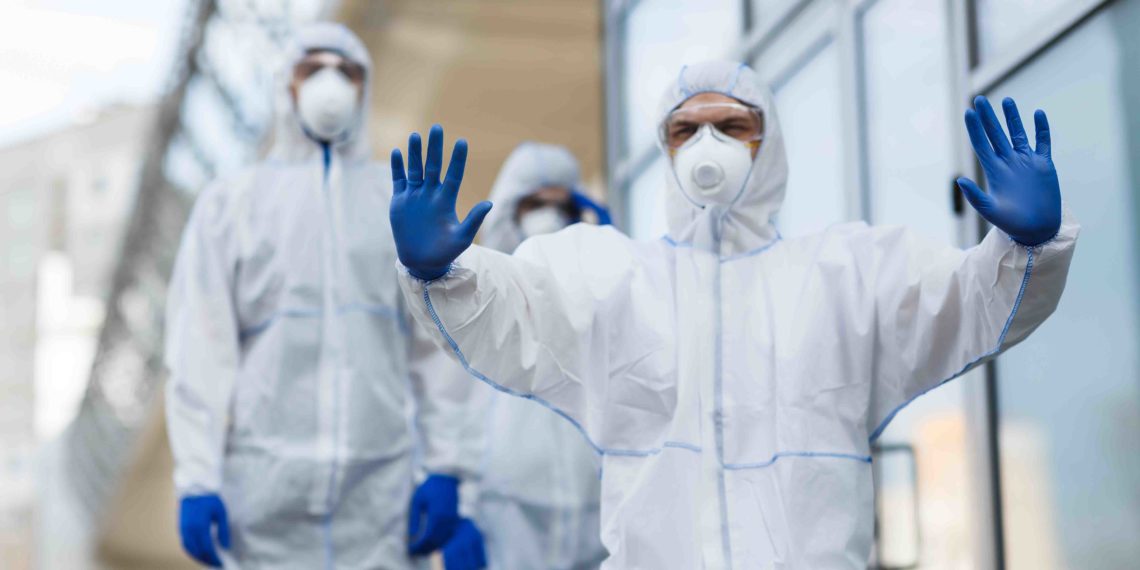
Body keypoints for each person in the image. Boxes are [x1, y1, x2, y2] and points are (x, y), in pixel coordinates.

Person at [386, 61, 1079, 568]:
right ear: (666, 149)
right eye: (686, 128)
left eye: (731, 125)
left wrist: (1025, 248)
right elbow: (511, 305)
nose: (707, 143)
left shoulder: (846, 272)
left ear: (764, 142)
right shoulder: (613, 277)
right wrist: (441, 273)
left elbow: (964, 301)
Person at [165, 23, 478, 568]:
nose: (331, 83)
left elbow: (437, 348)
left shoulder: (396, 200)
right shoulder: (231, 205)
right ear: (286, 86)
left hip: (380, 498)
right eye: (314, 70)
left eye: (348, 72)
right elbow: (200, 347)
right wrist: (197, 478)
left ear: (365, 88)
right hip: (262, 499)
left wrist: (448, 469)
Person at [440, 142, 611, 570]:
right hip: (505, 513)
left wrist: (613, 256)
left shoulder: (597, 295)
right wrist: (460, 507)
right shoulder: (476, 297)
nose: (548, 217)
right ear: (508, 211)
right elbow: (449, 405)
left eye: (560, 205)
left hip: (593, 512)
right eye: (535, 203)